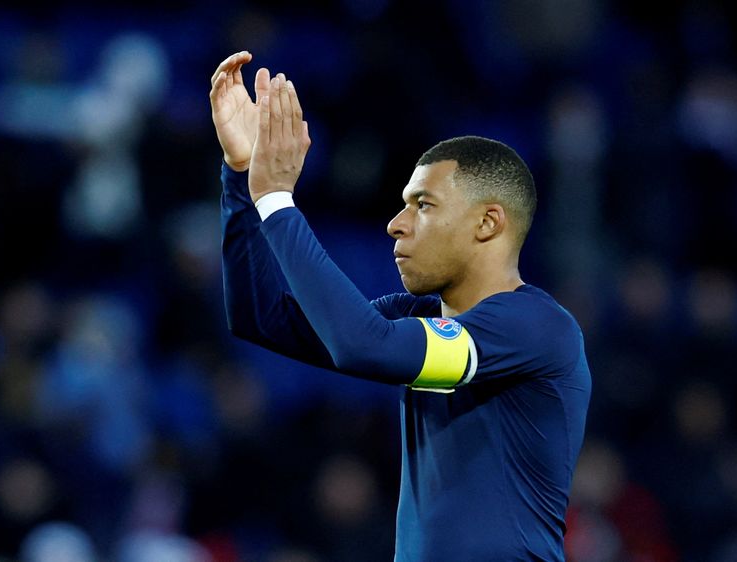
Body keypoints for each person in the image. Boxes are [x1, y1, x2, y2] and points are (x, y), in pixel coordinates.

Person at [211, 51, 592, 561]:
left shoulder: (537, 327)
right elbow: (260, 318)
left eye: (424, 205)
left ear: (488, 223)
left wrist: (278, 200)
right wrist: (242, 176)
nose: (396, 223)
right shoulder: (416, 316)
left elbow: (363, 346)